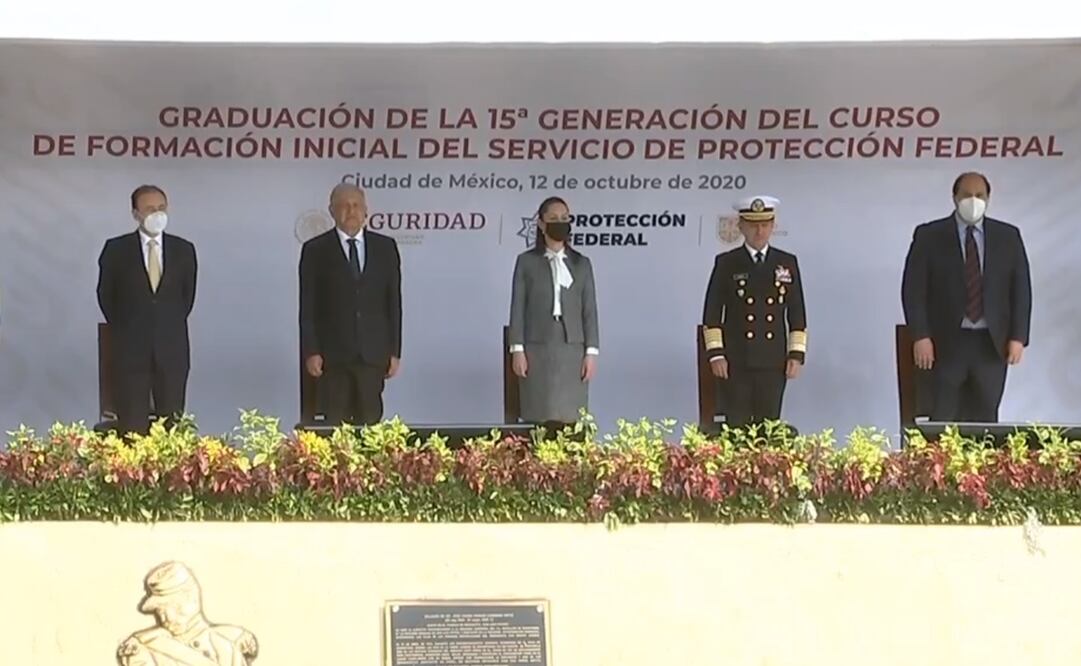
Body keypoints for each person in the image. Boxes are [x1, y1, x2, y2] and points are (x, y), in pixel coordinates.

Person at [901, 171, 1032, 423]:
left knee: (985, 419)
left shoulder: (1008, 236)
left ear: (988, 198)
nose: (973, 200)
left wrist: (1018, 337)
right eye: (967, 195)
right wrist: (920, 335)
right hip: (946, 342)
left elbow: (1021, 290)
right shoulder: (929, 235)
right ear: (954, 197)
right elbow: (913, 289)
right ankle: (941, 464)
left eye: (979, 195)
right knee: (943, 416)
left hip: (991, 344)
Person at [96, 185, 197, 436]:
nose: (157, 213)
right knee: (131, 428)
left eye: (161, 207)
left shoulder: (184, 250)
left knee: (173, 427)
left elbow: (187, 299)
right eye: (150, 209)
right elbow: (106, 297)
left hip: (172, 350)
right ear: (135, 213)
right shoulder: (116, 250)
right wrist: (130, 327)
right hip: (130, 352)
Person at [299, 183, 402, 426]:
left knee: (370, 428)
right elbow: (308, 306)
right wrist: (311, 351)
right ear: (332, 211)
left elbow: (394, 303)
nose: (351, 211)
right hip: (333, 357)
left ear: (366, 210)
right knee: (337, 430)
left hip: (373, 355)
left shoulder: (385, 247)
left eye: (356, 205)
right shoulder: (315, 250)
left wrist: (395, 351)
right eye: (344, 206)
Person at [702, 195, 806, 428]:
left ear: (773, 226)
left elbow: (797, 314)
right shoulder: (727, 262)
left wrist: (796, 354)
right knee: (737, 426)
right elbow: (712, 314)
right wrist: (716, 354)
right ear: (741, 227)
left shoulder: (786, 263)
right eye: (753, 225)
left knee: (768, 425)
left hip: (773, 359)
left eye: (764, 225)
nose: (759, 232)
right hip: (737, 360)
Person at [508, 196, 599, 429]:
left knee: (570, 416)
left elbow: (589, 310)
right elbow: (517, 307)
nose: (560, 222)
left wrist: (591, 352)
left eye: (565, 218)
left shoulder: (582, 263)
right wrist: (517, 349)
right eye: (554, 218)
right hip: (537, 347)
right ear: (541, 223)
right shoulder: (526, 262)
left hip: (572, 348)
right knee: (539, 414)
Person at [117, 561, 258, 666]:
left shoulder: (228, 646)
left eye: (167, 608)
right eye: (158, 611)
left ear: (190, 602)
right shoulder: (147, 648)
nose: (163, 618)